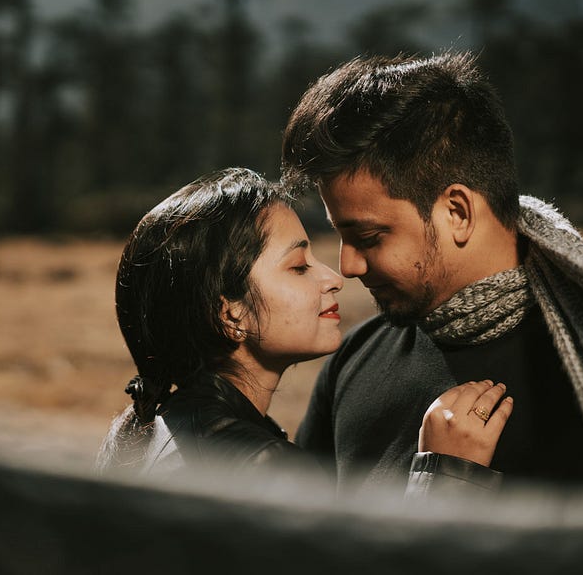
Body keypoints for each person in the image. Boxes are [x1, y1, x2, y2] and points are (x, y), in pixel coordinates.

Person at [280, 52, 583, 513]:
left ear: (457, 212)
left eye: (369, 237)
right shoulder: (353, 361)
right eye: (340, 236)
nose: (348, 265)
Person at [96, 167, 511, 494]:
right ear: (230, 313)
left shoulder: (152, 428)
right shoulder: (262, 471)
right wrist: (445, 481)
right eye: (298, 267)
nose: (334, 276)